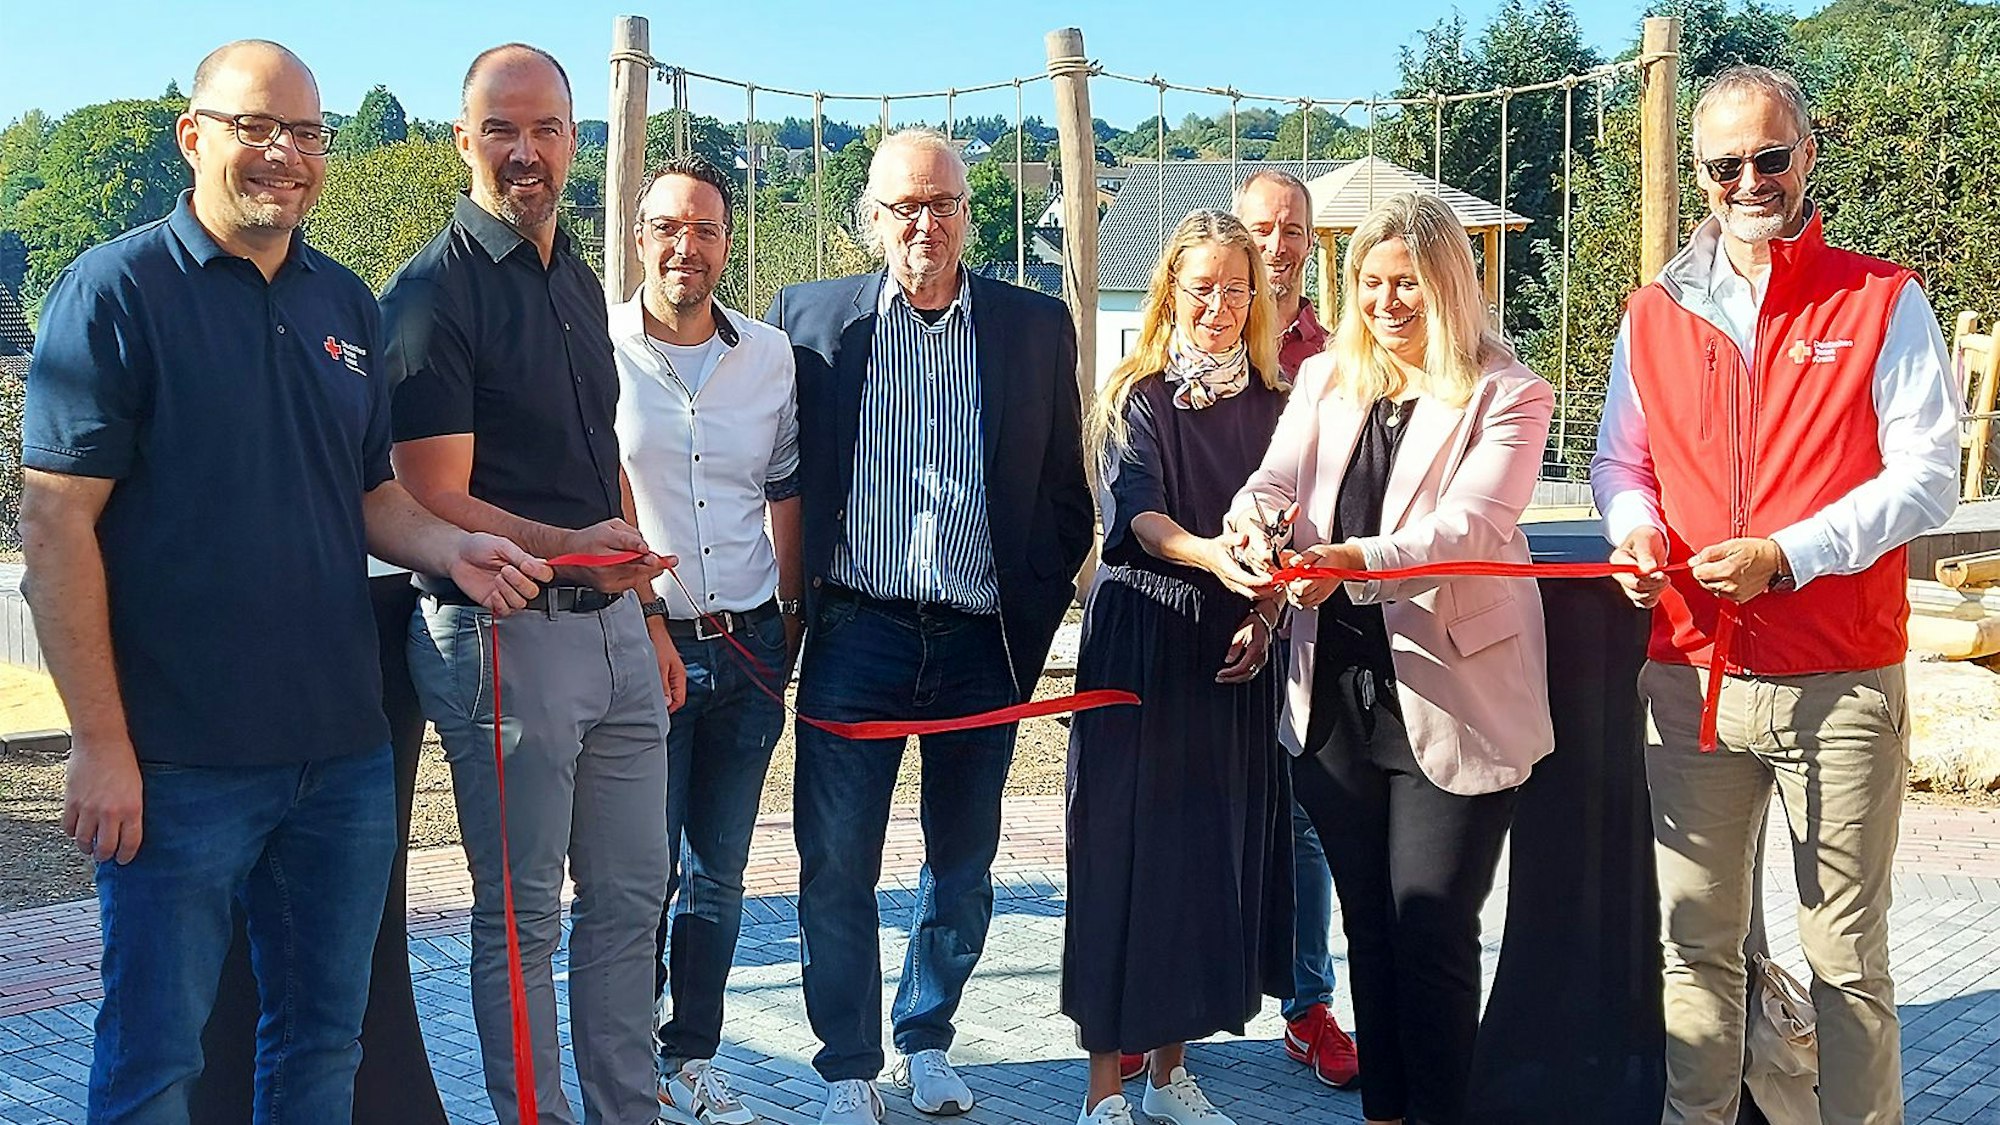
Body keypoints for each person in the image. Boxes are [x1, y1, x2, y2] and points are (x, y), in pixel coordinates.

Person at [17, 39, 548, 1125]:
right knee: (154, 1060)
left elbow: (372, 499)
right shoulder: (115, 292)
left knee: (322, 1045)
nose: (283, 155)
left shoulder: (342, 303)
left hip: (342, 758)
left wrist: (456, 548)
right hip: (174, 764)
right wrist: (100, 743)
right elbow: (56, 525)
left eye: (305, 134)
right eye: (256, 127)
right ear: (194, 134)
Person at [1591, 64, 1959, 1125]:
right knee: (1693, 952)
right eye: (1721, 166)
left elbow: (1926, 474)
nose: (1746, 181)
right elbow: (1622, 463)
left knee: (1845, 959)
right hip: (1689, 673)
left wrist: (1786, 554)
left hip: (1836, 677)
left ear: (1805, 154)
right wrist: (1631, 532)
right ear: (1699, 176)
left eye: (1767, 156)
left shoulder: (1881, 298)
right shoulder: (1651, 313)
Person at [764, 127, 1094, 1125]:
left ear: (967, 212)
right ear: (869, 218)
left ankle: (927, 1037)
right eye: (904, 205)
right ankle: (847, 1064)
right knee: (833, 862)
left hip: (977, 643)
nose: (925, 223)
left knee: (963, 862)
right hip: (854, 632)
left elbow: (1060, 497)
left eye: (942, 203)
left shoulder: (1034, 329)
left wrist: (1025, 628)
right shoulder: (807, 322)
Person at [383, 43, 677, 1125]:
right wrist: (574, 547)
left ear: (571, 141)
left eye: (546, 128)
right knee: (522, 922)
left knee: (631, 901)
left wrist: (641, 612)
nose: (525, 150)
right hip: (502, 637)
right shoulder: (428, 295)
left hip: (607, 630)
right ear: (462, 138)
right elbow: (426, 497)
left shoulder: (576, 275)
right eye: (500, 128)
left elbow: (600, 462)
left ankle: (624, 1113)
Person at [1229, 190, 1556, 1125]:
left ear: (1450, 283)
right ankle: (1385, 1114)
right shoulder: (1327, 376)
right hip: (1331, 689)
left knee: (1433, 927)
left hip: (1453, 693)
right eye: (1370, 282)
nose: (1386, 302)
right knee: (1369, 925)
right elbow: (1275, 477)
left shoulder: (1511, 393)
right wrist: (1256, 518)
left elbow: (1469, 527)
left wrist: (1351, 564)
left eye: (1407, 283)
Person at [1063, 209, 1295, 1125]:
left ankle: (1168, 1076)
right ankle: (1102, 1089)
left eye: (1238, 287)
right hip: (1141, 644)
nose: (1222, 305)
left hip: (1230, 655)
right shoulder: (1136, 395)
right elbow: (1143, 519)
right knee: (1119, 854)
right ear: (1172, 291)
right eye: (1204, 286)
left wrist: (1267, 611)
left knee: (1206, 858)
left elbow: (1287, 530)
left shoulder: (1281, 404)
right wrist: (1213, 557)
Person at [610, 154, 802, 1125]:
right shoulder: (592, 349)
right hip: (644, 645)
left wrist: (791, 623)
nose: (686, 245)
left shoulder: (768, 355)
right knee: (640, 869)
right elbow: (598, 496)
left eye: (705, 228)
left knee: (719, 874)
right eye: (667, 227)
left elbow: (784, 490)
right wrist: (644, 620)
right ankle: (625, 1052)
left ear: (728, 241)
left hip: (753, 644)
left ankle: (691, 1055)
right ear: (639, 236)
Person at [1232, 166, 1357, 1090]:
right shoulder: (1198, 333)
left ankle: (1309, 1004)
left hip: (1308, 613)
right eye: (1262, 229)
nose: (1279, 245)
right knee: (1203, 810)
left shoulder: (1337, 354)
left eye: (1294, 230)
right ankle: (1184, 1003)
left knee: (1311, 816)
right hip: (1208, 608)